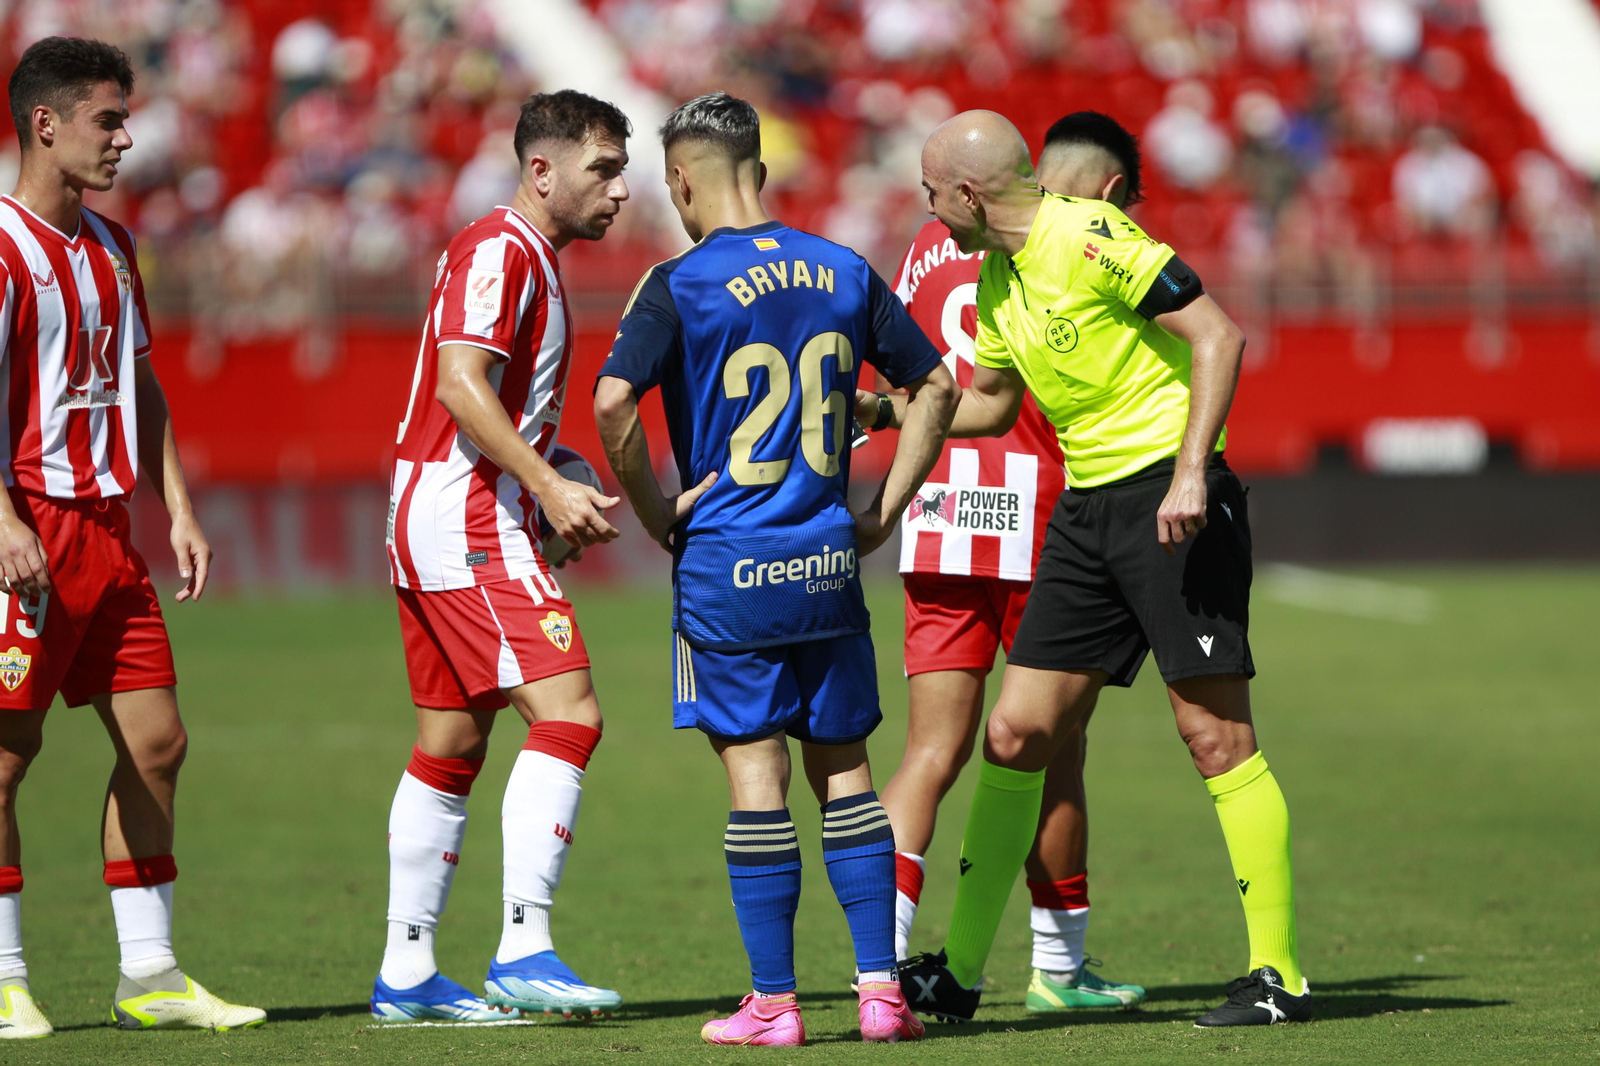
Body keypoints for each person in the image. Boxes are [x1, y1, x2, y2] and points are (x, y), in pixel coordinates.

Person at [891, 110, 1311, 1028]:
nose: (924, 208)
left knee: (1214, 736)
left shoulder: (1092, 237)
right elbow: (991, 405)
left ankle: (1278, 975)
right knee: (1016, 735)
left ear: (968, 194)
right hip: (1086, 511)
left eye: (930, 191)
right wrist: (889, 413)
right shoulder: (998, 278)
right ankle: (958, 974)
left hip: (1171, 496)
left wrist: (1193, 472)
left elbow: (1219, 336)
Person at [594, 91, 958, 1047]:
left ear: (682, 181)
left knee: (757, 778)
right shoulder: (843, 267)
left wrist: (655, 513)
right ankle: (880, 994)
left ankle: (775, 1004)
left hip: (729, 570)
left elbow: (614, 404)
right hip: (827, 561)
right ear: (759, 167)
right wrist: (882, 511)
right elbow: (936, 386)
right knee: (848, 774)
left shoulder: (678, 283)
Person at [0, 37, 264, 1037]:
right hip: (27, 531)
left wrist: (178, 505)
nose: (124, 138)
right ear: (45, 124)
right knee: (5, 758)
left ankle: (149, 974)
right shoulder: (3, 249)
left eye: (126, 118)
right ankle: (4, 976)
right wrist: (2, 522)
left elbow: (139, 381)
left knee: (158, 743)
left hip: (109, 536)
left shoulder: (112, 246)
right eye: (106, 119)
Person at [863, 112, 1147, 1014]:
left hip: (939, 505)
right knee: (1053, 753)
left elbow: (913, 374)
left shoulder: (928, 245)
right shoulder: (1051, 241)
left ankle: (880, 965)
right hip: (1045, 517)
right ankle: (1059, 969)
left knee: (929, 751)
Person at [375, 89, 629, 1024]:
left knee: (451, 742)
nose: (620, 190)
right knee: (570, 713)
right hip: (466, 517)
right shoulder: (500, 249)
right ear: (542, 170)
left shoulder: (529, 257)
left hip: (443, 511)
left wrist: (552, 472)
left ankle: (406, 971)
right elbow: (458, 384)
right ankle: (525, 947)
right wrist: (547, 484)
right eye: (603, 169)